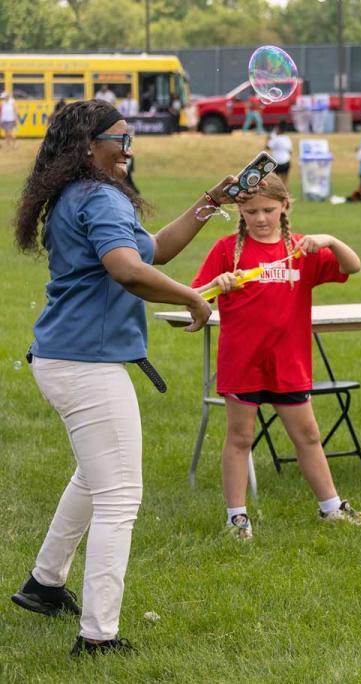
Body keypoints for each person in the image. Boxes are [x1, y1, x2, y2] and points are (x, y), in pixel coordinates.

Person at [10, 100, 248, 656]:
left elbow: (151, 250)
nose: (129, 148)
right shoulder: (99, 197)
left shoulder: (82, 195)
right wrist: (192, 295)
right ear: (87, 146)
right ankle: (98, 637)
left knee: (94, 479)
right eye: (120, 138)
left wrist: (209, 203)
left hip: (65, 357)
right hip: (86, 364)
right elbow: (126, 268)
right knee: (120, 496)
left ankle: (44, 585)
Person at [191, 173, 361, 540]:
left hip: (289, 363)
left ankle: (331, 506)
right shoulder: (226, 249)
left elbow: (353, 267)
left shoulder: (302, 250)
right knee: (240, 438)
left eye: (268, 209)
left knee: (308, 436)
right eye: (250, 211)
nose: (260, 218)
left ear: (285, 206)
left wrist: (331, 241)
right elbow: (195, 297)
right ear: (240, 210)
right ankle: (236, 517)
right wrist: (216, 285)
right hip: (243, 362)